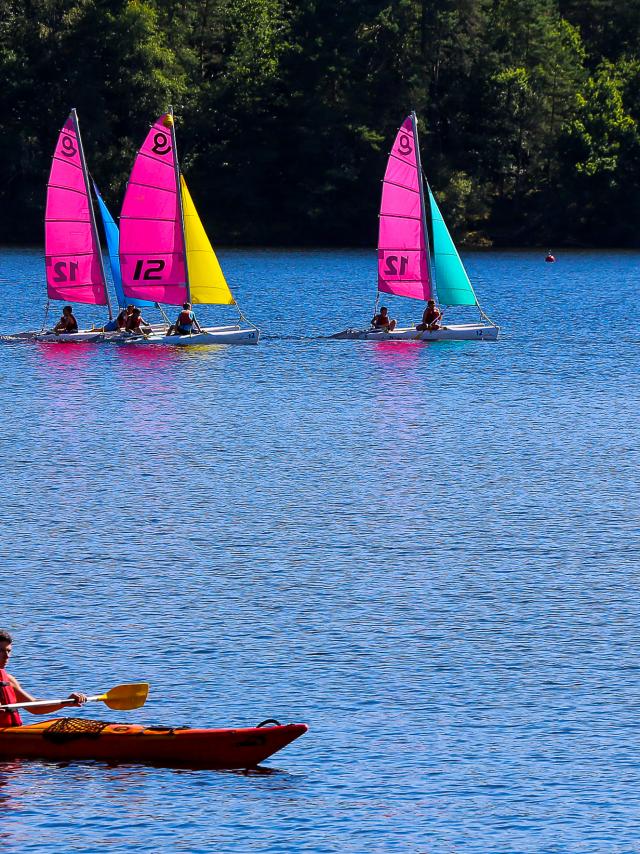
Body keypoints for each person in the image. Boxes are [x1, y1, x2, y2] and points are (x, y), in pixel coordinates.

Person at [0, 630, 87, 727]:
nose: (7, 656)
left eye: (8, 651)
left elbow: (34, 707)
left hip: (12, 735)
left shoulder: (9, 680)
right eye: (1, 651)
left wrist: (65, 702)